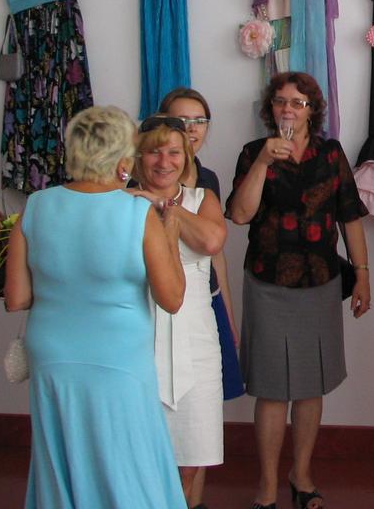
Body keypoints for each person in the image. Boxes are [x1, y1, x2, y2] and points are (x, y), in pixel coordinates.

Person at [4, 105, 186, 508]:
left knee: (61, 457)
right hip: (118, 358)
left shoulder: (36, 206)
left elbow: (16, 298)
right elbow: (172, 298)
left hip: (53, 356)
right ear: (124, 160)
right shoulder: (138, 212)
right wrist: (171, 233)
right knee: (127, 460)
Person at [227, 71, 372, 509]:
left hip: (320, 282)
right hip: (268, 281)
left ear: (312, 111)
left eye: (297, 102)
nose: (287, 109)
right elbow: (240, 215)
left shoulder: (330, 153)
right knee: (272, 388)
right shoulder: (253, 152)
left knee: (310, 386)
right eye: (280, 101)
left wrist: (363, 273)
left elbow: (349, 216)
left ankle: (302, 475)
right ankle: (267, 485)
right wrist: (262, 164)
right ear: (270, 109)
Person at [131, 114, 228, 506]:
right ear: (138, 156)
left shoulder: (202, 199)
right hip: (139, 339)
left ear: (186, 157)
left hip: (196, 340)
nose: (164, 162)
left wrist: (165, 206)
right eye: (154, 152)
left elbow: (212, 241)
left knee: (190, 461)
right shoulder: (123, 201)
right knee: (141, 462)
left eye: (174, 152)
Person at [160, 87, 246, 509]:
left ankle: (194, 502)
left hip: (203, 302)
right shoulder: (142, 180)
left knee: (201, 419)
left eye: (199, 121)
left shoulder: (207, 180)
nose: (192, 130)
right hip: (161, 309)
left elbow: (216, 254)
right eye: (182, 121)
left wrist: (226, 311)